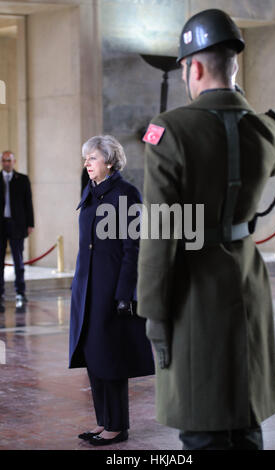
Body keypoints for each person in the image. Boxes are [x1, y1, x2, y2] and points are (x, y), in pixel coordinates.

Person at [137, 9, 275, 450]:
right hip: (247, 285)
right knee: (245, 417)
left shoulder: (169, 131)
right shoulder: (266, 130)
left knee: (203, 423)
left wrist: (152, 312)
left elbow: (159, 234)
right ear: (234, 65)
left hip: (193, 294)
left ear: (193, 67)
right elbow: (267, 144)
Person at [69, 135, 154, 446]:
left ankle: (117, 426)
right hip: (88, 289)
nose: (87, 164)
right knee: (94, 357)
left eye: (92, 158)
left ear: (109, 161)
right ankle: (104, 422)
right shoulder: (91, 192)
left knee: (112, 358)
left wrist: (124, 294)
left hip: (112, 290)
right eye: (86, 158)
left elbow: (134, 248)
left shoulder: (127, 193)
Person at [0, 151, 34, 312]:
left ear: (14, 161)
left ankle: (20, 292)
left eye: (9, 160)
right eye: (4, 160)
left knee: (18, 261)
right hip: (1, 225)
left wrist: (30, 224)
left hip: (17, 225)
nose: (6, 163)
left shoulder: (23, 179)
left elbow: (29, 203)